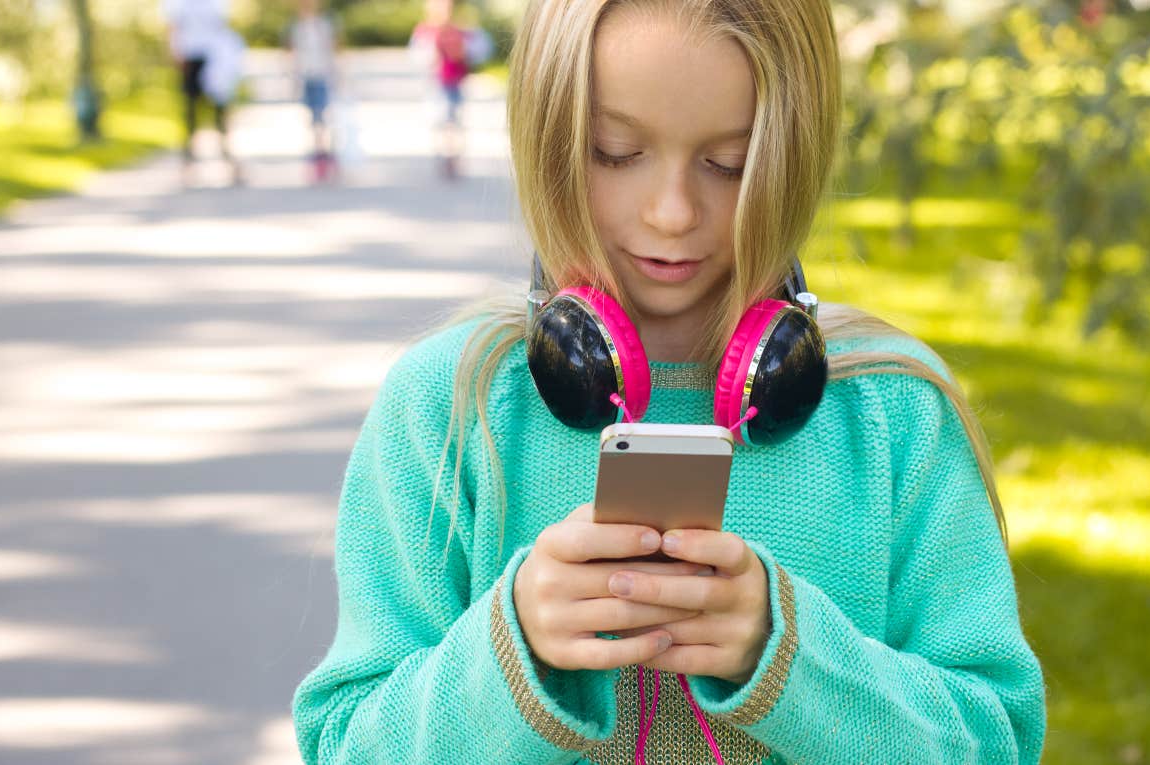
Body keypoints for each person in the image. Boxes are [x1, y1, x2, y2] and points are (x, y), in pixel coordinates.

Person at [292, 1, 1046, 763]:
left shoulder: (893, 411)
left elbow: (998, 739)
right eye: (616, 151)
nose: (673, 211)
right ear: (549, 135)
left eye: (729, 162)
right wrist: (511, 651)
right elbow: (346, 742)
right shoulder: (450, 407)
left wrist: (787, 658)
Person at [162, 0, 242, 185]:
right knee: (190, 113)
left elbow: (222, 26)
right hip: (190, 57)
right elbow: (173, 27)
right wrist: (175, 53)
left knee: (220, 113)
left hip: (216, 59)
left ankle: (229, 161)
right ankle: (188, 166)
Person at [410, 0, 492, 180]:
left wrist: (463, 51)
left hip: (455, 82)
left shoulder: (461, 31)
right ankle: (444, 156)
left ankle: (453, 158)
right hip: (436, 83)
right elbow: (418, 57)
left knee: (454, 121)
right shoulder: (426, 32)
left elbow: (482, 49)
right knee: (441, 120)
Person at [288, 0, 341, 184]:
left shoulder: (323, 26)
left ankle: (325, 156)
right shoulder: (297, 28)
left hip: (322, 76)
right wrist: (294, 78)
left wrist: (337, 76)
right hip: (307, 77)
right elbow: (294, 55)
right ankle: (319, 156)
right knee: (313, 120)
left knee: (322, 118)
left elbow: (333, 51)